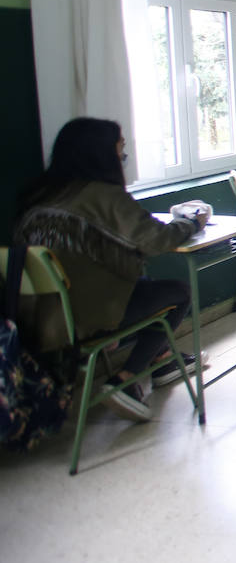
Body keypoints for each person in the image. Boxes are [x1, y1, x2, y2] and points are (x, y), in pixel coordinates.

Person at [12, 118, 209, 422]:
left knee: (138, 280)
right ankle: (127, 380)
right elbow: (157, 239)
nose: (123, 159)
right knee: (178, 292)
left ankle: (162, 358)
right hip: (80, 321)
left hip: (35, 321)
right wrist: (191, 223)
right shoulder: (104, 196)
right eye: (121, 152)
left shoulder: (39, 195)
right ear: (102, 155)